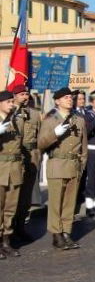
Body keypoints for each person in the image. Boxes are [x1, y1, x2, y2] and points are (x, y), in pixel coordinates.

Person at [38, 87, 87, 250]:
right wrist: (55, 134)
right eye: (65, 98)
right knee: (55, 203)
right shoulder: (50, 120)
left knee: (69, 203)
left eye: (70, 97)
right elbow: (41, 144)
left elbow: (84, 148)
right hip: (57, 164)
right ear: (57, 101)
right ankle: (56, 234)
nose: (69, 100)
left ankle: (67, 232)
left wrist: (81, 166)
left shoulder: (78, 120)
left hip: (74, 166)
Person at [12, 85, 41, 241]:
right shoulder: (8, 114)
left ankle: (21, 227)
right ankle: (8, 231)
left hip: (31, 157)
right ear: (14, 96)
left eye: (26, 94)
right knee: (12, 195)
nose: (25, 97)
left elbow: (41, 136)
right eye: (21, 94)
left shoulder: (35, 115)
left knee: (26, 195)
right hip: (15, 158)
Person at [0, 91, 23, 259]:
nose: (11, 104)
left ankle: (6, 242)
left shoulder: (16, 121)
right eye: (8, 101)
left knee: (10, 208)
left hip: (14, 168)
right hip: (0, 168)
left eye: (11, 101)